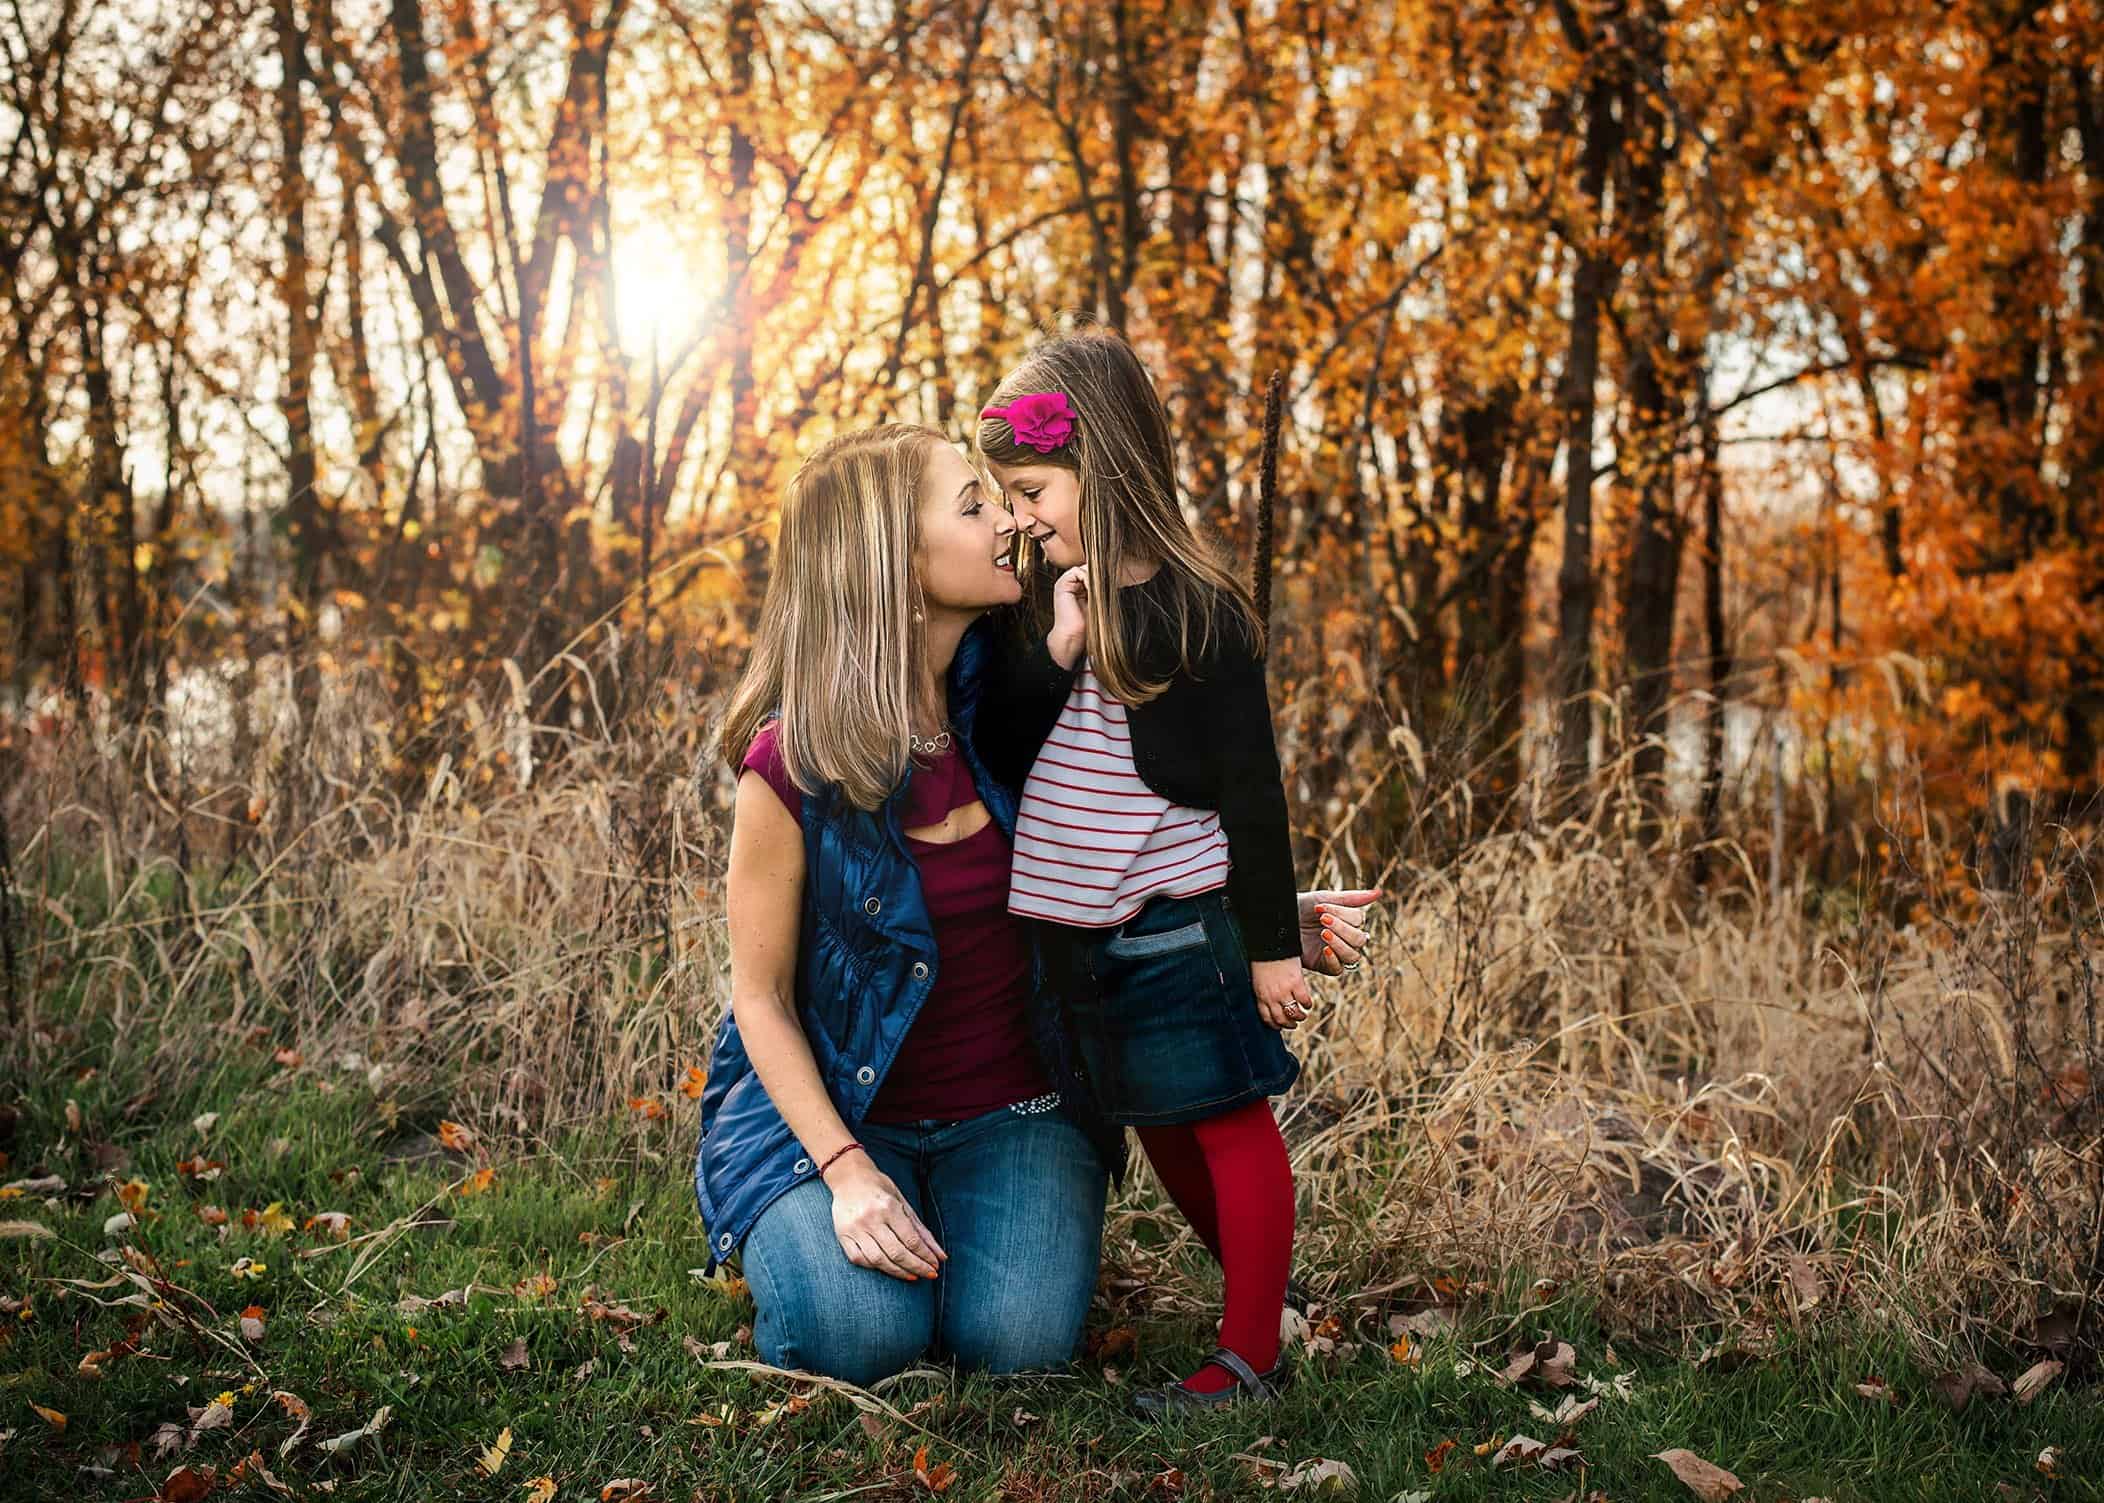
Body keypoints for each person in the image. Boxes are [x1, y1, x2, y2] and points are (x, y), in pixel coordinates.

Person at [692, 423, 1376, 1389]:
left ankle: (949, 1239)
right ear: (895, 558)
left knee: (1014, 1345)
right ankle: (822, 1237)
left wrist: (1257, 920)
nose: (1009, 524)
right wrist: (847, 1172)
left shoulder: (1029, 695)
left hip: (1018, 1107)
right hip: (844, 1112)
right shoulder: (794, 762)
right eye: (974, 506)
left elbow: (1122, 849)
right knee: (856, 1336)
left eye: (1009, 499)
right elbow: (757, 999)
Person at [977, 326, 1319, 1416]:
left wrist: (1269, 944)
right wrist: (1063, 643)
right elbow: (1003, 742)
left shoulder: (1200, 613)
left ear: (1102, 464)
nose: (1022, 516)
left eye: (1032, 489)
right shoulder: (1042, 604)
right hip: (1080, 937)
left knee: (1224, 1119)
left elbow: (1252, 795)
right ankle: (1266, 1306)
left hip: (1176, 919)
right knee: (1163, 1123)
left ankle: (1250, 1354)